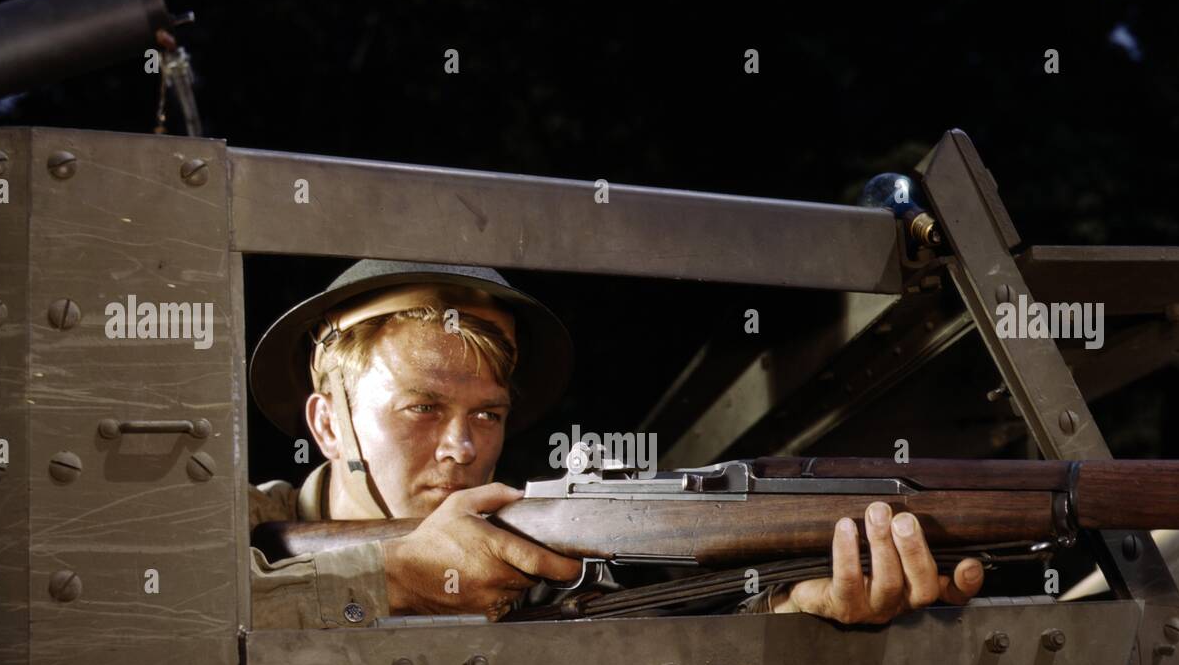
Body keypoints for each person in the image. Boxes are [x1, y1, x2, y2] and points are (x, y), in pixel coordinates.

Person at [247, 260, 984, 628]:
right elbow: (157, 635)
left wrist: (796, 619)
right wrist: (391, 577)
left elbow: (662, 659)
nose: (461, 447)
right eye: (422, 407)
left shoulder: (537, 546)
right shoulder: (227, 533)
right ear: (328, 423)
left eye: (489, 414)